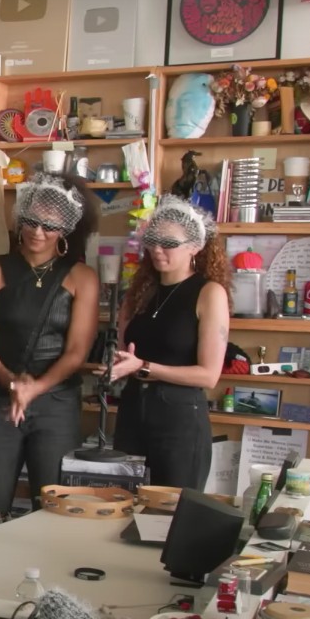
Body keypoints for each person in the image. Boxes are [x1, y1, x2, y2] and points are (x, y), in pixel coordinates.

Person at [0, 173, 100, 525]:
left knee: (55, 509)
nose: (37, 232)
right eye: (30, 221)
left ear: (66, 228)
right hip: (0, 401)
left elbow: (77, 352)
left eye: (49, 225)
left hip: (57, 403)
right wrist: (13, 384)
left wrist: (35, 388)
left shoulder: (82, 277)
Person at [110, 196, 230, 489]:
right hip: (133, 412)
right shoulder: (137, 293)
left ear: (195, 247)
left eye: (168, 243)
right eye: (152, 241)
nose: (156, 250)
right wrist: (118, 366)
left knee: (170, 514)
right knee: (122, 510)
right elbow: (125, 353)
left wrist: (145, 367)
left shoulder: (209, 293)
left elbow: (209, 375)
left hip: (180, 419)